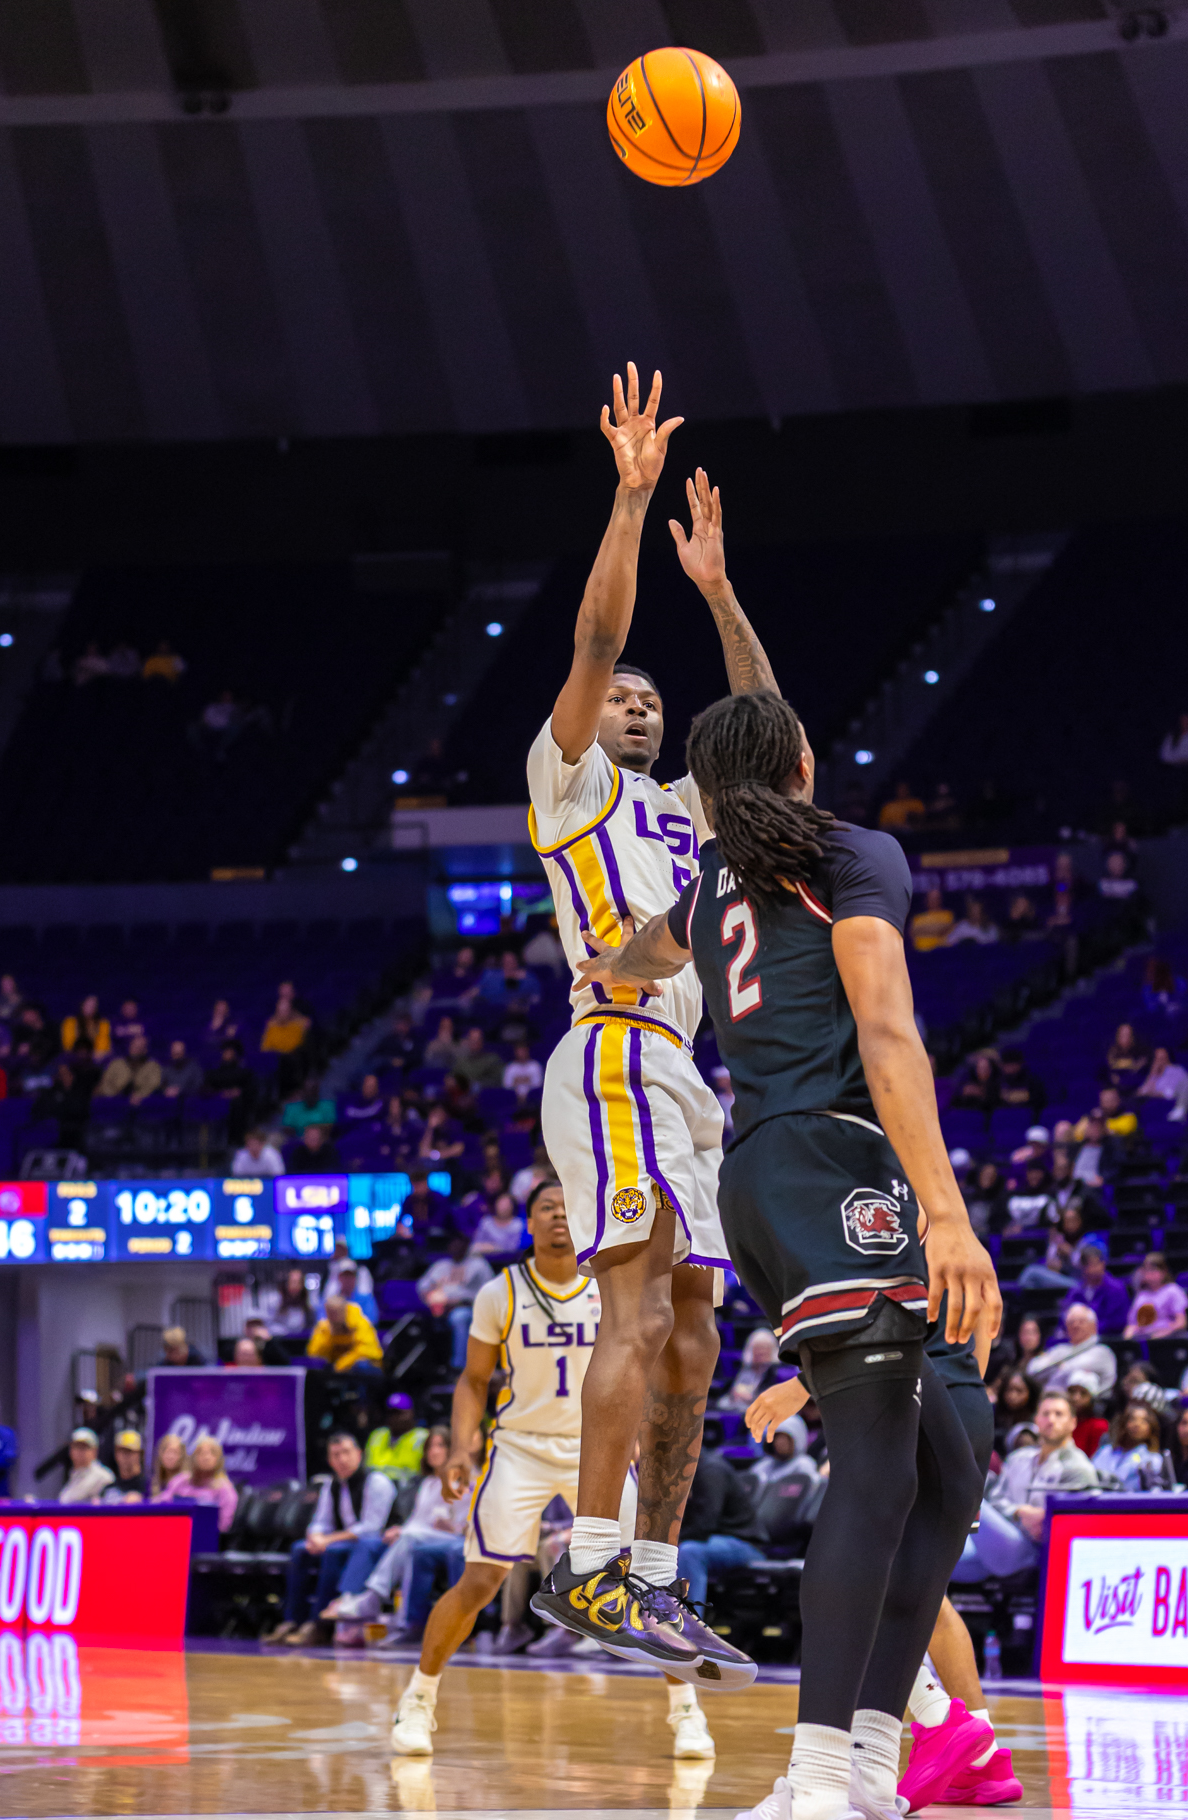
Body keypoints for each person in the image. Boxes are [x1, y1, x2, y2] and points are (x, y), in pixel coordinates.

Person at [574, 680, 1000, 1820]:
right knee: (879, 1464)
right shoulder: (850, 854)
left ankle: (866, 1777)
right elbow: (886, 1026)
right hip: (832, 1161)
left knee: (951, 1456)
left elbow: (637, 951)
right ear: (805, 760)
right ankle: (810, 1793)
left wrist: (602, 969)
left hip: (777, 1174)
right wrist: (946, 1206)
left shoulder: (710, 889)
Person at [516, 389, 770, 1703]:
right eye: (617, 694)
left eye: (647, 698)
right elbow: (602, 626)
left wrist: (718, 592)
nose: (633, 699)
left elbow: (767, 739)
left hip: (684, 1072)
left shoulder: (688, 805)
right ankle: (592, 1562)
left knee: (693, 1331)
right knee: (637, 1294)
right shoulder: (571, 783)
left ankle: (654, 1577)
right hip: (609, 1044)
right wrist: (628, 501)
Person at [390, 1182, 674, 1754]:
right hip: (519, 1446)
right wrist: (464, 1448)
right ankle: (418, 1699)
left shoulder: (610, 1286)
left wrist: (643, 1428)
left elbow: (647, 1366)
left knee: (644, 1576)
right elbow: (473, 1381)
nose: (559, 1218)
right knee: (480, 1580)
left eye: (569, 1209)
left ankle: (685, 1711)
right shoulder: (500, 1292)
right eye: (547, 1208)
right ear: (528, 1223)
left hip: (599, 1444)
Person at [328, 1426, 470, 1646]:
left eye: (440, 1445)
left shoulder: (462, 1480)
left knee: (409, 1539)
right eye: (430, 1446)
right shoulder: (429, 1483)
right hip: (425, 1539)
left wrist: (447, 1526)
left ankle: (373, 1596)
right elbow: (417, 1521)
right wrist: (400, 1530)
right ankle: (403, 1622)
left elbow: (465, 1526)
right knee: (404, 1544)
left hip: (457, 1541)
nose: (434, 1451)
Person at [953, 1391, 1099, 1581]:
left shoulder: (1079, 1467)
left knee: (965, 1492)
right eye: (1045, 1414)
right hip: (998, 1541)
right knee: (933, 1562)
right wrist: (1018, 1512)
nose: (1051, 1420)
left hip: (1035, 1551)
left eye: (1058, 1414)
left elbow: (1082, 1522)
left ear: (1073, 1422)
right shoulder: (1018, 1458)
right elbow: (995, 1499)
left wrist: (1046, 1520)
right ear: (1037, 1419)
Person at [267, 1432, 396, 1645]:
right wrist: (316, 1536)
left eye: (346, 1452)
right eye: (336, 1455)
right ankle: (293, 1619)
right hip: (344, 1542)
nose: (342, 1459)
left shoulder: (377, 1482)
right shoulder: (331, 1485)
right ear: (329, 1461)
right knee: (300, 1549)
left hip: (375, 1546)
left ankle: (319, 1625)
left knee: (332, 1552)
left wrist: (328, 1541)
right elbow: (321, 1520)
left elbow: (371, 1528)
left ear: (359, 1454)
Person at [674, 1445, 766, 1605]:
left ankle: (688, 1624)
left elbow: (706, 1524)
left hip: (744, 1543)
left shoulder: (712, 1470)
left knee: (689, 1552)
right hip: (712, 1540)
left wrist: (672, 1541)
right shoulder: (683, 1470)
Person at [418, 1236, 496, 1371]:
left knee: (459, 1317)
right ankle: (431, 1367)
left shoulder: (479, 1265)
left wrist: (457, 1303)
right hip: (442, 1308)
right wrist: (433, 1301)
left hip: (470, 1308)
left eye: (459, 1244)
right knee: (420, 1321)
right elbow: (422, 1287)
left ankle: (459, 1366)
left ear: (466, 1246)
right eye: (452, 1245)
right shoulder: (441, 1265)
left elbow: (491, 1294)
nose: (455, 1248)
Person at [1025, 1304, 1117, 1400]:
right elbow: (1032, 1369)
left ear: (1093, 1325)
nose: (1075, 1325)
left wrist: (1058, 1368)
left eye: (1081, 1321)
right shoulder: (1060, 1349)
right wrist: (1059, 1367)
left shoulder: (1101, 1352)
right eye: (1071, 1322)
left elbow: (1067, 1372)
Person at [160, 1434, 239, 1531]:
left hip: (207, 1536)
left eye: (212, 1453)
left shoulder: (224, 1488)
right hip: (174, 1531)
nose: (206, 1457)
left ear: (218, 1459)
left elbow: (224, 1525)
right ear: (193, 1457)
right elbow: (162, 1504)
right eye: (201, 1453)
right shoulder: (180, 1481)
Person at [305, 1293, 384, 1378]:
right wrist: (328, 1336)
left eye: (335, 1312)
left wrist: (342, 1364)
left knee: (362, 1365)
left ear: (344, 1310)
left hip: (365, 1369)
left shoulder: (360, 1323)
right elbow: (313, 1353)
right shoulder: (324, 1328)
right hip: (337, 1369)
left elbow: (366, 1351)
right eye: (330, 1312)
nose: (332, 1316)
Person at [1092, 1403, 1164, 1491]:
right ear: (1124, 1424)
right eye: (1133, 1419)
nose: (1137, 1424)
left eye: (1144, 1421)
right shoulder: (1106, 1451)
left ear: (1151, 1428)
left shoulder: (1153, 1459)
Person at [1061, 1244, 1129, 1335]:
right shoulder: (1076, 1291)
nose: (1093, 1269)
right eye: (1089, 1265)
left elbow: (1117, 1322)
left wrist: (1087, 1329)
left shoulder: (1116, 1288)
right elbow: (1066, 1316)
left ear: (1103, 1264)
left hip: (1107, 1339)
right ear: (1082, 1268)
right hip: (1078, 1338)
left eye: (1096, 1264)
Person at [365, 1393, 427, 1486]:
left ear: (411, 1413)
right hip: (377, 1491)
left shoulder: (422, 1437)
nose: (395, 1417)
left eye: (399, 1413)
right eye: (391, 1413)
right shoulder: (377, 1435)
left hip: (410, 1492)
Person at [1124, 1256, 1188, 1341]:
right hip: (1143, 1338)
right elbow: (1133, 1323)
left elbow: (1181, 1323)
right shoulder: (1141, 1295)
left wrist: (1166, 1331)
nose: (1150, 1274)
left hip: (1167, 1339)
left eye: (1153, 1270)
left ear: (1164, 1272)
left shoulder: (1173, 1290)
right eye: (1146, 1270)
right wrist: (1128, 1334)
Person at [717, 1327, 780, 1410]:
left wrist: (751, 1398)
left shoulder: (777, 1373)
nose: (761, 1352)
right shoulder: (743, 1370)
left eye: (764, 1348)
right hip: (739, 1405)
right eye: (757, 1348)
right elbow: (734, 1390)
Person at [96, 1034, 162, 1103]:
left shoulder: (153, 1066)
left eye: (140, 1047)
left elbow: (154, 1084)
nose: (137, 1050)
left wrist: (141, 1095)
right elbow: (105, 1083)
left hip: (142, 1103)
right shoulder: (116, 1064)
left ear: (145, 1050)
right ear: (130, 1046)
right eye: (135, 1046)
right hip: (114, 1102)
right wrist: (114, 1096)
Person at [59, 1428, 115, 1503]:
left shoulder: (103, 1476)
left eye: (85, 1447)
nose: (80, 1451)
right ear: (71, 1450)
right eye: (77, 1446)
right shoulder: (74, 1475)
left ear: (94, 1451)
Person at [453, 1026, 504, 1092]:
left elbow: (496, 1081)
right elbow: (453, 1076)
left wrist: (475, 1085)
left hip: (484, 1096)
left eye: (477, 1039)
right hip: (461, 1095)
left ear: (482, 1041)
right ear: (468, 1041)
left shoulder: (493, 1060)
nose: (474, 1042)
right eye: (472, 1039)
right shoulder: (461, 1060)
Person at [106, 1430, 147, 1501]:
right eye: (121, 1451)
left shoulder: (147, 1487)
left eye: (129, 1451)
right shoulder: (109, 1488)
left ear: (139, 1454)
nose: (124, 1456)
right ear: (116, 1454)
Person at [909, 888, 954, 953]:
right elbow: (912, 932)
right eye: (931, 898)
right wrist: (936, 929)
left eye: (936, 898)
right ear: (926, 899)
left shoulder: (948, 915)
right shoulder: (918, 918)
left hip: (942, 953)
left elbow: (944, 929)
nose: (933, 901)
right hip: (921, 954)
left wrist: (922, 929)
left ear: (940, 899)